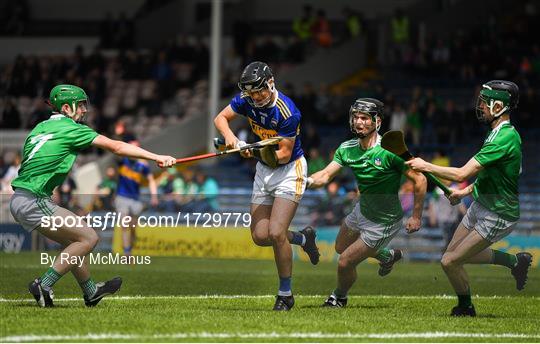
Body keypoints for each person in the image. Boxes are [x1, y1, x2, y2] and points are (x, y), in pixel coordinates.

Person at [9, 84, 176, 307]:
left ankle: (91, 291)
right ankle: (44, 284)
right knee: (89, 238)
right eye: (80, 105)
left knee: (73, 242)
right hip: (34, 200)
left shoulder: (40, 127)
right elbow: (116, 147)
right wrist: (156, 157)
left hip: (19, 200)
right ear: (66, 107)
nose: (84, 110)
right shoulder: (71, 129)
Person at [406, 80, 533, 316]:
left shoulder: (503, 138)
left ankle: (466, 307)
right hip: (481, 204)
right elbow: (491, 176)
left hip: (499, 213)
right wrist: (463, 192)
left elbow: (463, 172)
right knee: (451, 257)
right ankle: (516, 262)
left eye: (485, 103)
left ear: (498, 106)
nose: (480, 107)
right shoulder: (496, 133)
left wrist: (426, 166)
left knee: (449, 262)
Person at [214, 61, 320, 311]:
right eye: (251, 92)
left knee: (275, 233)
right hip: (264, 170)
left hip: (288, 170)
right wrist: (232, 140)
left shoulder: (287, 112)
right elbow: (220, 118)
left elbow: (282, 154)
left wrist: (252, 151)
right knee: (260, 236)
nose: (256, 96)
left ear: (271, 83)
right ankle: (304, 239)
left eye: (260, 90)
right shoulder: (246, 99)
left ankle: (285, 294)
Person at [307, 98, 427, 308]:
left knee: (345, 261)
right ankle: (387, 256)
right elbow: (325, 175)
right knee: (340, 247)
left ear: (377, 122)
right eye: (356, 117)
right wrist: (306, 181)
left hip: (384, 220)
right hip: (361, 210)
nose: (359, 122)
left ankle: (339, 297)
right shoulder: (347, 148)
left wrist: (416, 216)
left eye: (364, 118)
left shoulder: (390, 151)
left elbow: (420, 179)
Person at [114, 134, 159, 257]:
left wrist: (154, 196)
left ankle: (130, 247)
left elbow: (151, 180)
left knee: (133, 227)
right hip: (122, 196)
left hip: (135, 199)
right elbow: (116, 148)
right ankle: (127, 252)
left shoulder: (143, 164)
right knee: (124, 224)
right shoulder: (123, 159)